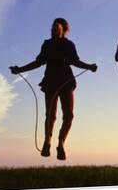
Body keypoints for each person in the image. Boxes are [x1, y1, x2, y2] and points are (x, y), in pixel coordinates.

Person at [10, 18, 97, 160]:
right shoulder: (47, 44)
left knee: (68, 115)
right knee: (51, 115)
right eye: (53, 27)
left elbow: (75, 61)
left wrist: (89, 66)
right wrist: (20, 69)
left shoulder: (69, 45)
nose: (54, 29)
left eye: (57, 27)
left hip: (66, 81)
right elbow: (38, 62)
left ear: (63, 29)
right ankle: (47, 141)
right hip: (50, 82)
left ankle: (61, 143)